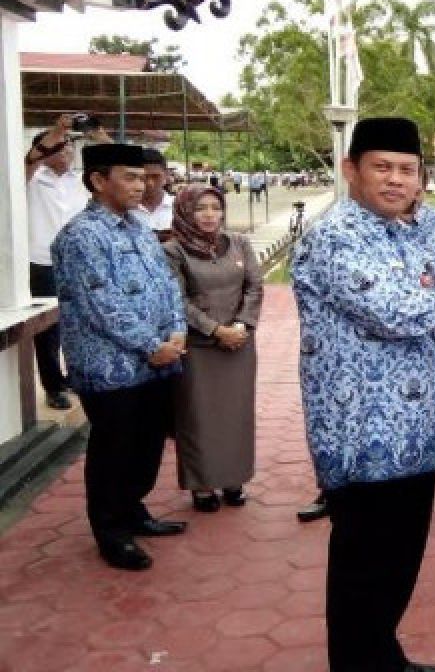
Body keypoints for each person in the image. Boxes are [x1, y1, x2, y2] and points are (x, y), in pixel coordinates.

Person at [291, 116, 435, 672]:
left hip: (415, 433)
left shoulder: (404, 237)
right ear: (351, 170)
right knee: (363, 569)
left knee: (398, 564)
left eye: (407, 169)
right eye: (382, 167)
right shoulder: (336, 237)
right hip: (362, 437)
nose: (396, 180)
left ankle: (383, 658)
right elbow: (399, 314)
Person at [52, 143, 189, 571]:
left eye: (144, 177)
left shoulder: (137, 227)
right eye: (129, 177)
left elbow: (167, 285)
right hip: (110, 366)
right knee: (115, 448)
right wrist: (153, 345)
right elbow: (102, 304)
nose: (141, 185)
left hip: (157, 361)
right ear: (97, 180)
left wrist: (177, 330)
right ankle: (111, 531)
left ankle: (133, 511)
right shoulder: (80, 237)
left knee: (147, 445)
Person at [163, 184, 263, 513]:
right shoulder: (174, 250)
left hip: (239, 345)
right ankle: (202, 485)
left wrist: (241, 326)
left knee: (236, 416)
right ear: (185, 211)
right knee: (199, 418)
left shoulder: (239, 244)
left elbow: (254, 286)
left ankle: (234, 479)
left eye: (215, 208)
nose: (209, 215)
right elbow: (177, 300)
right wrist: (215, 330)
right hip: (199, 349)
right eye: (200, 208)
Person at [24, 115, 91, 411]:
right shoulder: (29, 179)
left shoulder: (81, 182)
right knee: (48, 330)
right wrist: (56, 131)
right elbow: (30, 161)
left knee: (77, 322)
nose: (66, 151)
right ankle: (53, 387)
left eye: (69, 147)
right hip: (43, 262)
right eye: (59, 147)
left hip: (78, 261)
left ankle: (71, 376)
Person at [133, 148, 175, 236]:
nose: (149, 183)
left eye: (156, 176)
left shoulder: (179, 207)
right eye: (144, 177)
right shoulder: (125, 210)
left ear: (166, 175)